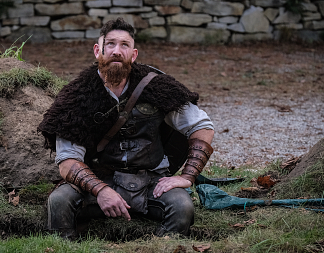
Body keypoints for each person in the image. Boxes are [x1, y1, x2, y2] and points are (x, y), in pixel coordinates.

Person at [38, 17, 215, 239]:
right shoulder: (75, 96)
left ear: (134, 54)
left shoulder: (158, 87)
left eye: (124, 45)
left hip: (152, 181)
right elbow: (67, 163)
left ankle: (162, 245)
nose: (116, 51)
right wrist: (101, 189)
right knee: (59, 201)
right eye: (110, 44)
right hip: (98, 178)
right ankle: (65, 246)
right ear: (97, 50)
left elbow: (202, 127)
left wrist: (187, 177)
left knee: (182, 208)